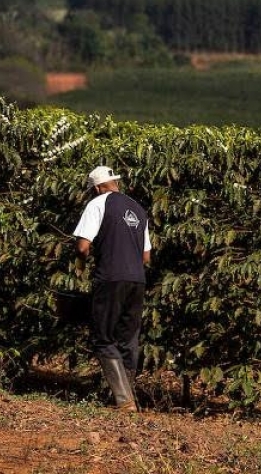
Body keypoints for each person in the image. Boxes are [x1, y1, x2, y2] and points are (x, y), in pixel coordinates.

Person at [73, 165, 152, 412]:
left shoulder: (97, 204)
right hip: (137, 280)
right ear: (115, 182)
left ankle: (123, 400)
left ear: (96, 188)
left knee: (103, 337)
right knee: (128, 338)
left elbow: (83, 246)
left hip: (110, 277)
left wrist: (83, 263)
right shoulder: (139, 210)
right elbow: (146, 257)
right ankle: (129, 398)